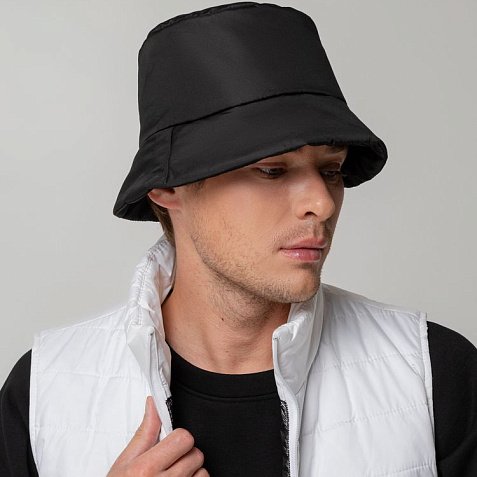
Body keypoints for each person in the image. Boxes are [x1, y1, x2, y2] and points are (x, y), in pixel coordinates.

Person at [1, 2, 476, 476]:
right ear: (169, 188)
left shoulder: (435, 375)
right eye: (272, 170)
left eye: (331, 170)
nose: (323, 203)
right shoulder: (44, 393)